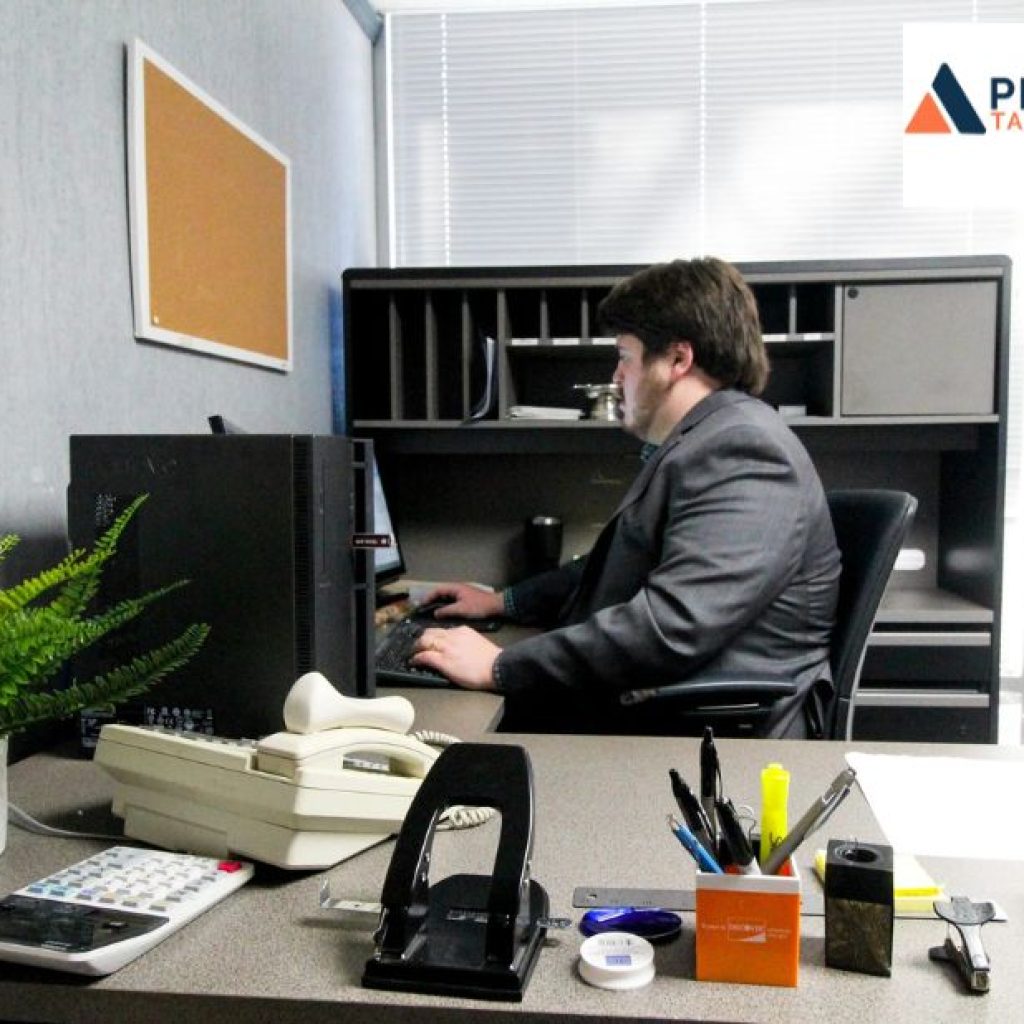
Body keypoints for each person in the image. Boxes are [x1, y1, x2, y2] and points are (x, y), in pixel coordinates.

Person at [410, 256, 840, 738]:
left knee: (441, 733)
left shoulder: (744, 450)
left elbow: (673, 626)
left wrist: (500, 666)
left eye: (625, 356)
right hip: (667, 703)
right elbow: (615, 564)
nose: (617, 376)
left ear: (677, 360)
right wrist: (502, 603)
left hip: (706, 729)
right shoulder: (706, 440)